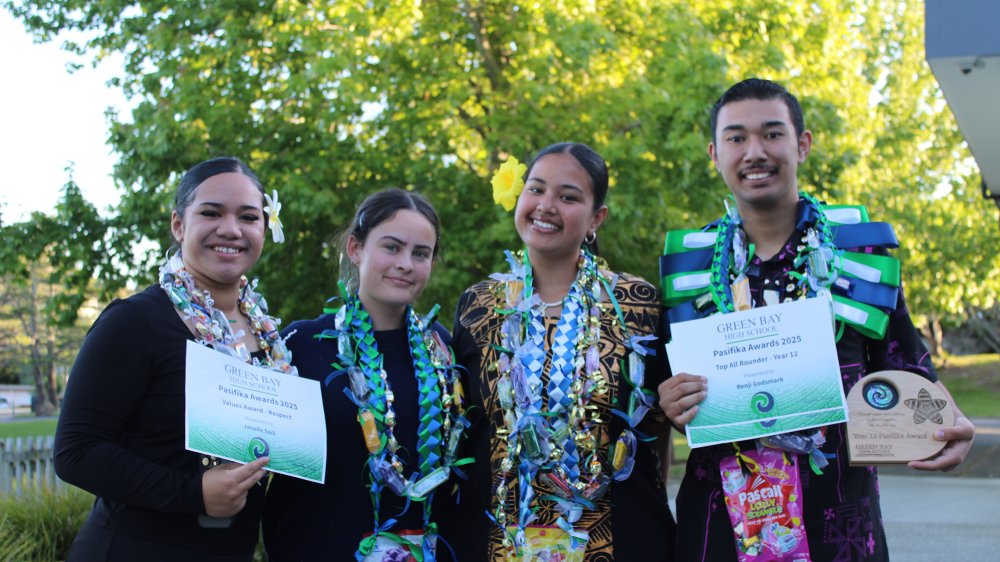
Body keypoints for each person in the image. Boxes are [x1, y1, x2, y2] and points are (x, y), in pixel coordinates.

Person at [657, 78, 976, 561]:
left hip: (839, 526)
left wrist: (946, 428)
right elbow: (675, 399)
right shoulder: (691, 269)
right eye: (736, 138)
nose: (754, 151)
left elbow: (908, 372)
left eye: (772, 134)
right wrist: (673, 403)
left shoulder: (859, 255)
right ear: (715, 154)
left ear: (802, 145)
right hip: (722, 525)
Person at [55, 156, 295, 561]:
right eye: (211, 213)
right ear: (179, 225)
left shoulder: (270, 337)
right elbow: (76, 452)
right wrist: (193, 493)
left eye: (249, 217)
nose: (231, 229)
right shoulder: (135, 321)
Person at [448, 143, 676, 561]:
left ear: (596, 218)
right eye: (536, 190)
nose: (546, 206)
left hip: (620, 536)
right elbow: (466, 428)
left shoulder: (635, 303)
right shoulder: (477, 306)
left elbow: (658, 427)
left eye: (568, 197)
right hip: (500, 538)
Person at [263, 188, 469, 562]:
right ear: (355, 249)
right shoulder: (303, 344)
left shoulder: (442, 347)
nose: (406, 263)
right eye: (392, 247)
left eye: (420, 254)